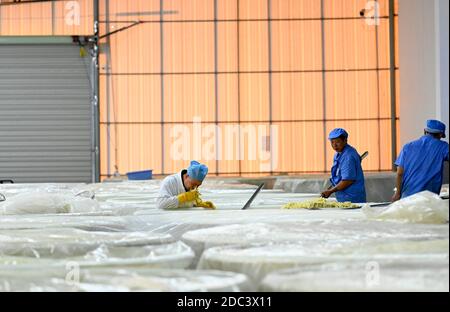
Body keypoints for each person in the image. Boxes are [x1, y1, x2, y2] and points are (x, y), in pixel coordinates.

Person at [392, 120, 449, 201]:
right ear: (440, 134)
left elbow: (400, 173)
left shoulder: (408, 147)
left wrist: (397, 194)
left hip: (407, 197)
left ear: (425, 131)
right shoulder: (443, 147)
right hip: (429, 199)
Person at [321, 128, 367, 203]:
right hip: (344, 197)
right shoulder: (339, 153)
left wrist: (330, 191)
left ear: (345, 141)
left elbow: (347, 180)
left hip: (352, 198)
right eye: (332, 142)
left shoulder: (348, 156)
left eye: (337, 142)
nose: (334, 145)